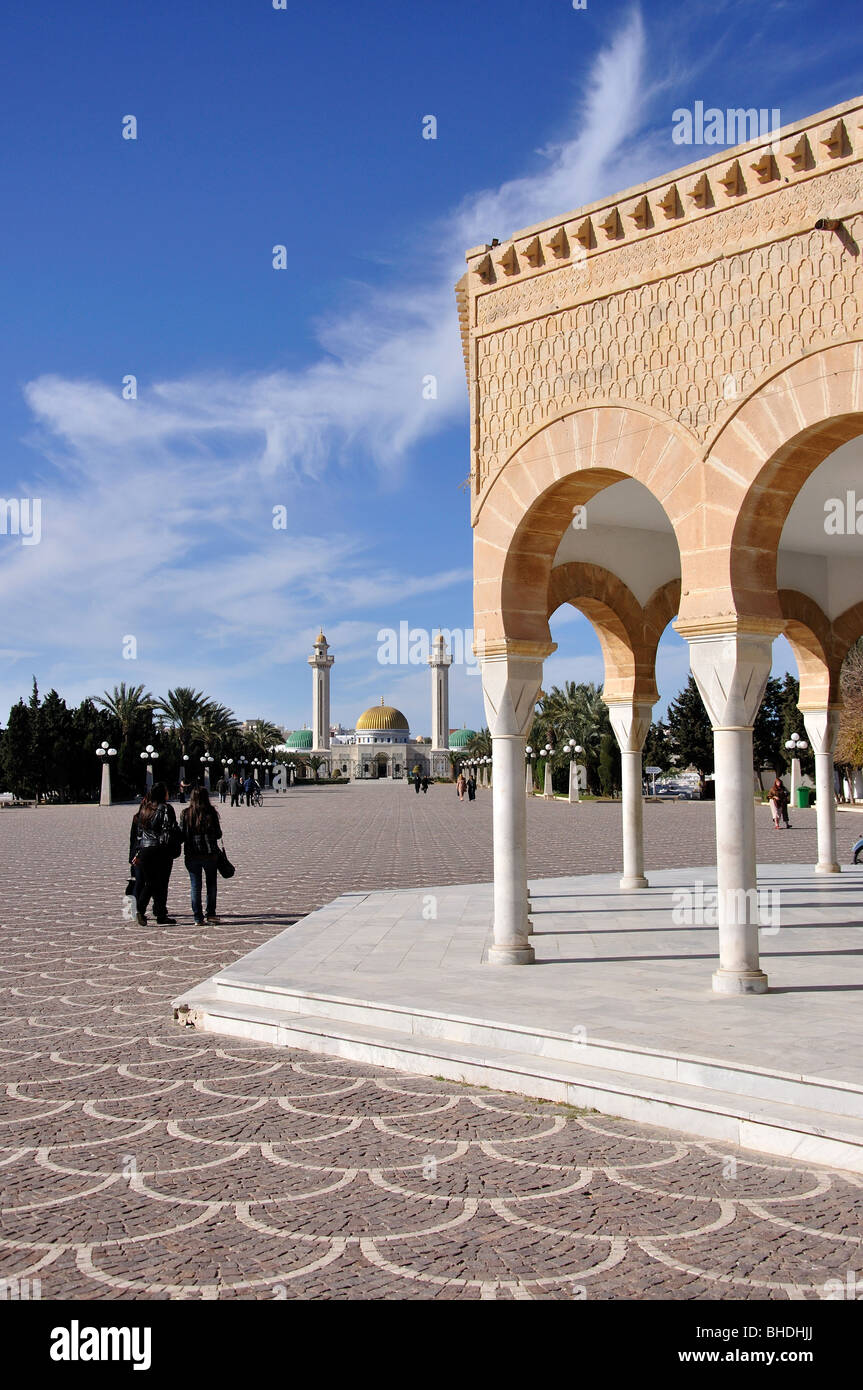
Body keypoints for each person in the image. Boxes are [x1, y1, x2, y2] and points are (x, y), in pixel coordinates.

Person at [129, 782, 178, 926]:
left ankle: (147, 911)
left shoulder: (145, 809)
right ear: (163, 794)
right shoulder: (166, 809)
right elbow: (169, 830)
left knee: (150, 882)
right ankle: (156, 913)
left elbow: (139, 833)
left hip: (144, 850)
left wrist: (137, 852)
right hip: (160, 850)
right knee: (161, 883)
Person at [180, 787, 222, 925]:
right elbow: (218, 834)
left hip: (192, 854)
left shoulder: (186, 813)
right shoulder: (211, 812)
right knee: (211, 885)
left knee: (195, 886)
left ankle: (198, 917)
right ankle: (211, 913)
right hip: (210, 854)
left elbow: (182, 835)